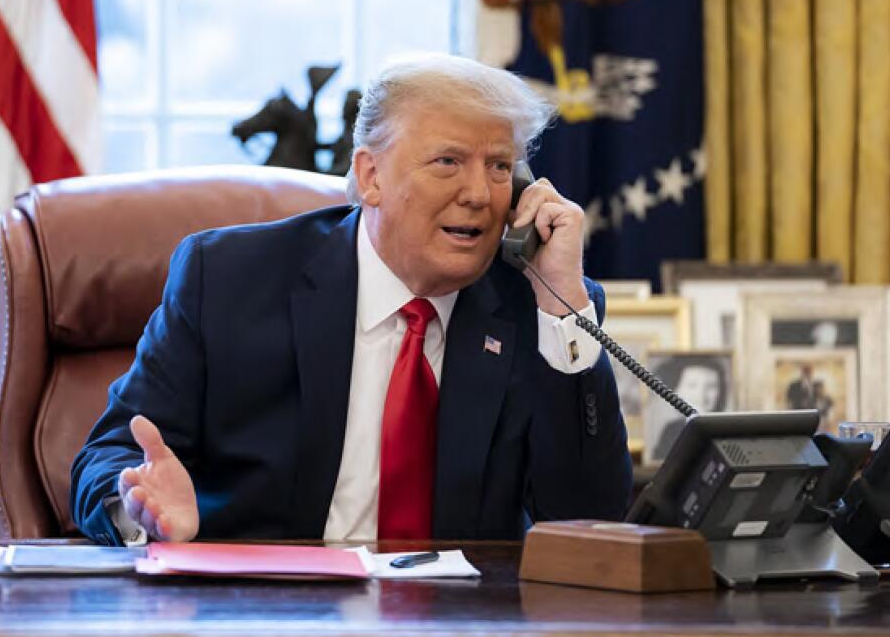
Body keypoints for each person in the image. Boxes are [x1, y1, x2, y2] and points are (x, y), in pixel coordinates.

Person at [70, 54, 632, 545]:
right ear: (371, 176)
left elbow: (589, 521)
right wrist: (139, 511)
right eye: (448, 162)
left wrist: (562, 311)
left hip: (458, 631)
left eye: (500, 166)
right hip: (268, 621)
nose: (480, 194)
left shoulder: (534, 306)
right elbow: (108, 458)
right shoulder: (227, 282)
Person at [650, 356, 726, 461]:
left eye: (711, 386)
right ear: (676, 390)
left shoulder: (727, 430)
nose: (701, 395)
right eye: (692, 385)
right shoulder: (670, 431)